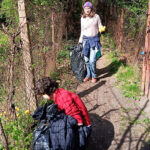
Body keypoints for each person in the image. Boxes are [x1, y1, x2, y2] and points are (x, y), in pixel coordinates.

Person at [79, 1, 104, 83]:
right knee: (86, 60)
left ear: (91, 9)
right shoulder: (82, 18)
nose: (87, 10)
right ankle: (88, 75)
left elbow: (100, 26)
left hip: (94, 41)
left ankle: (94, 76)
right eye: (86, 8)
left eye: (89, 8)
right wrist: (80, 41)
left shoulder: (96, 17)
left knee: (92, 60)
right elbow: (82, 30)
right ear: (83, 9)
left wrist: (101, 29)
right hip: (85, 41)